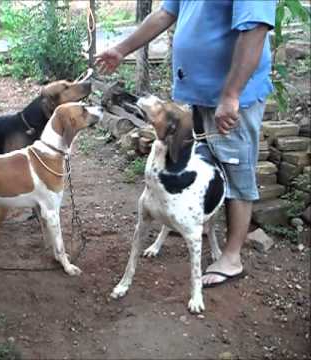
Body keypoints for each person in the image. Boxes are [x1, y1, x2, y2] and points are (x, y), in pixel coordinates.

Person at [96, 1, 276, 287]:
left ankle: (231, 257)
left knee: (236, 170)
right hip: (199, 92)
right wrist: (121, 49)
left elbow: (255, 29)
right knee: (203, 161)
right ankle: (199, 221)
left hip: (230, 98)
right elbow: (166, 12)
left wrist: (231, 95)